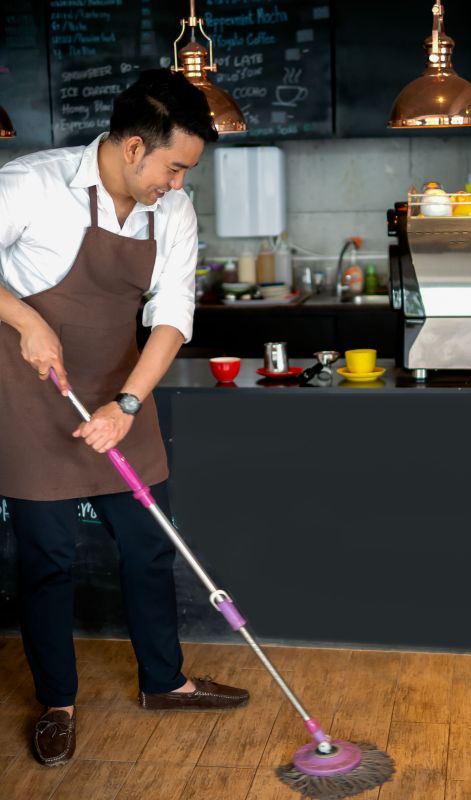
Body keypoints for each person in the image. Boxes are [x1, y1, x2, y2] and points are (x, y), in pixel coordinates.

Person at [0, 69, 249, 768]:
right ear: (135, 147)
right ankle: (57, 703)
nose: (177, 184)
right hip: (28, 395)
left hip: (120, 387)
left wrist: (128, 404)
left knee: (148, 547)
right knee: (47, 560)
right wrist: (22, 317)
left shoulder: (170, 210)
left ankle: (165, 682)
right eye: (173, 168)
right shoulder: (31, 185)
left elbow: (172, 318)